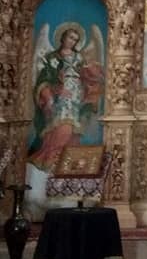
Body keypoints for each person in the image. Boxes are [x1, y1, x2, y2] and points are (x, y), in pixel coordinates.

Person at [28, 26, 104, 171]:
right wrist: (56, 90)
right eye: (70, 37)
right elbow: (43, 80)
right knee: (61, 126)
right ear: (63, 37)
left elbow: (87, 75)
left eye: (75, 40)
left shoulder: (79, 57)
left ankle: (66, 161)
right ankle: (51, 158)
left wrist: (89, 82)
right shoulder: (52, 57)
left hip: (77, 95)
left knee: (73, 128)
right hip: (60, 97)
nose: (72, 41)